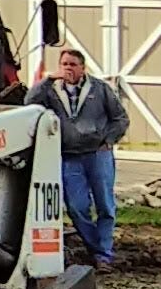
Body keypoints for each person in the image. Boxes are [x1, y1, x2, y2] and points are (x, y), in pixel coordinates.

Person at [21, 42, 129, 267]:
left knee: (105, 205)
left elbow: (120, 118)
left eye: (72, 64)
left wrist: (109, 140)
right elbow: (29, 102)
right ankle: (96, 247)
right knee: (76, 207)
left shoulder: (99, 89)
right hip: (69, 155)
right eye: (64, 64)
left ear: (82, 67)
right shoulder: (52, 91)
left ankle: (103, 254)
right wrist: (48, 79)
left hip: (97, 154)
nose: (67, 68)